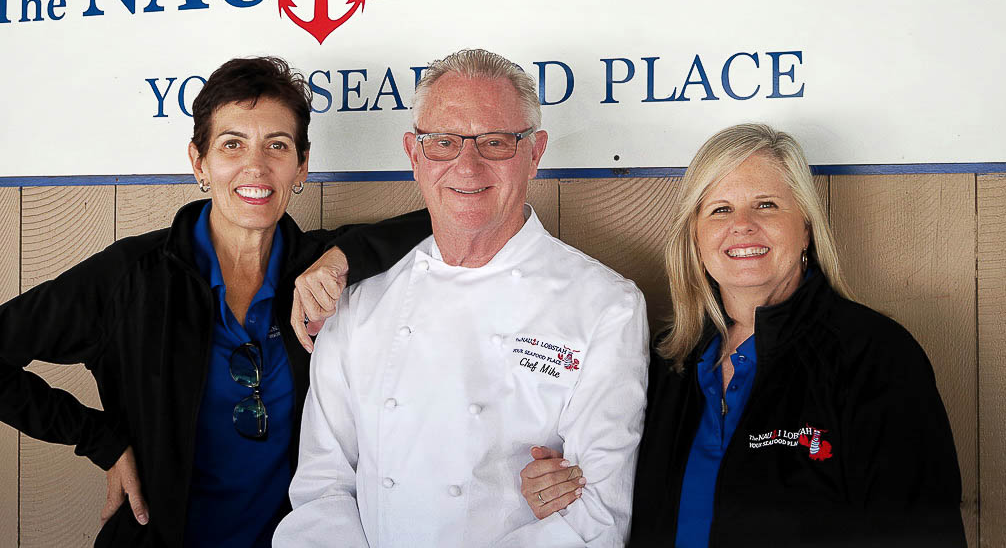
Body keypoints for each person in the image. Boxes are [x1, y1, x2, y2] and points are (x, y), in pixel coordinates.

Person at [0, 56, 430, 547]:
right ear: (199, 162)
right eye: (232, 145)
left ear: (301, 166)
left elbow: (449, 217)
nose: (256, 166)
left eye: (277, 145)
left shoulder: (320, 266)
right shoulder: (132, 276)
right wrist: (100, 439)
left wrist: (345, 256)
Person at [274, 48, 650, 548]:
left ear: (535, 153)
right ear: (414, 154)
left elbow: (597, 516)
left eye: (495, 142)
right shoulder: (359, 302)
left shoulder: (606, 307)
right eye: (443, 142)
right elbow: (323, 488)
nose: (466, 166)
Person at [620, 123, 967, 547]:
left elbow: (925, 535)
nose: (742, 225)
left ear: (806, 226)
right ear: (695, 235)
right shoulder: (664, 362)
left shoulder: (875, 356)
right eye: (720, 209)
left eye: (765, 205)